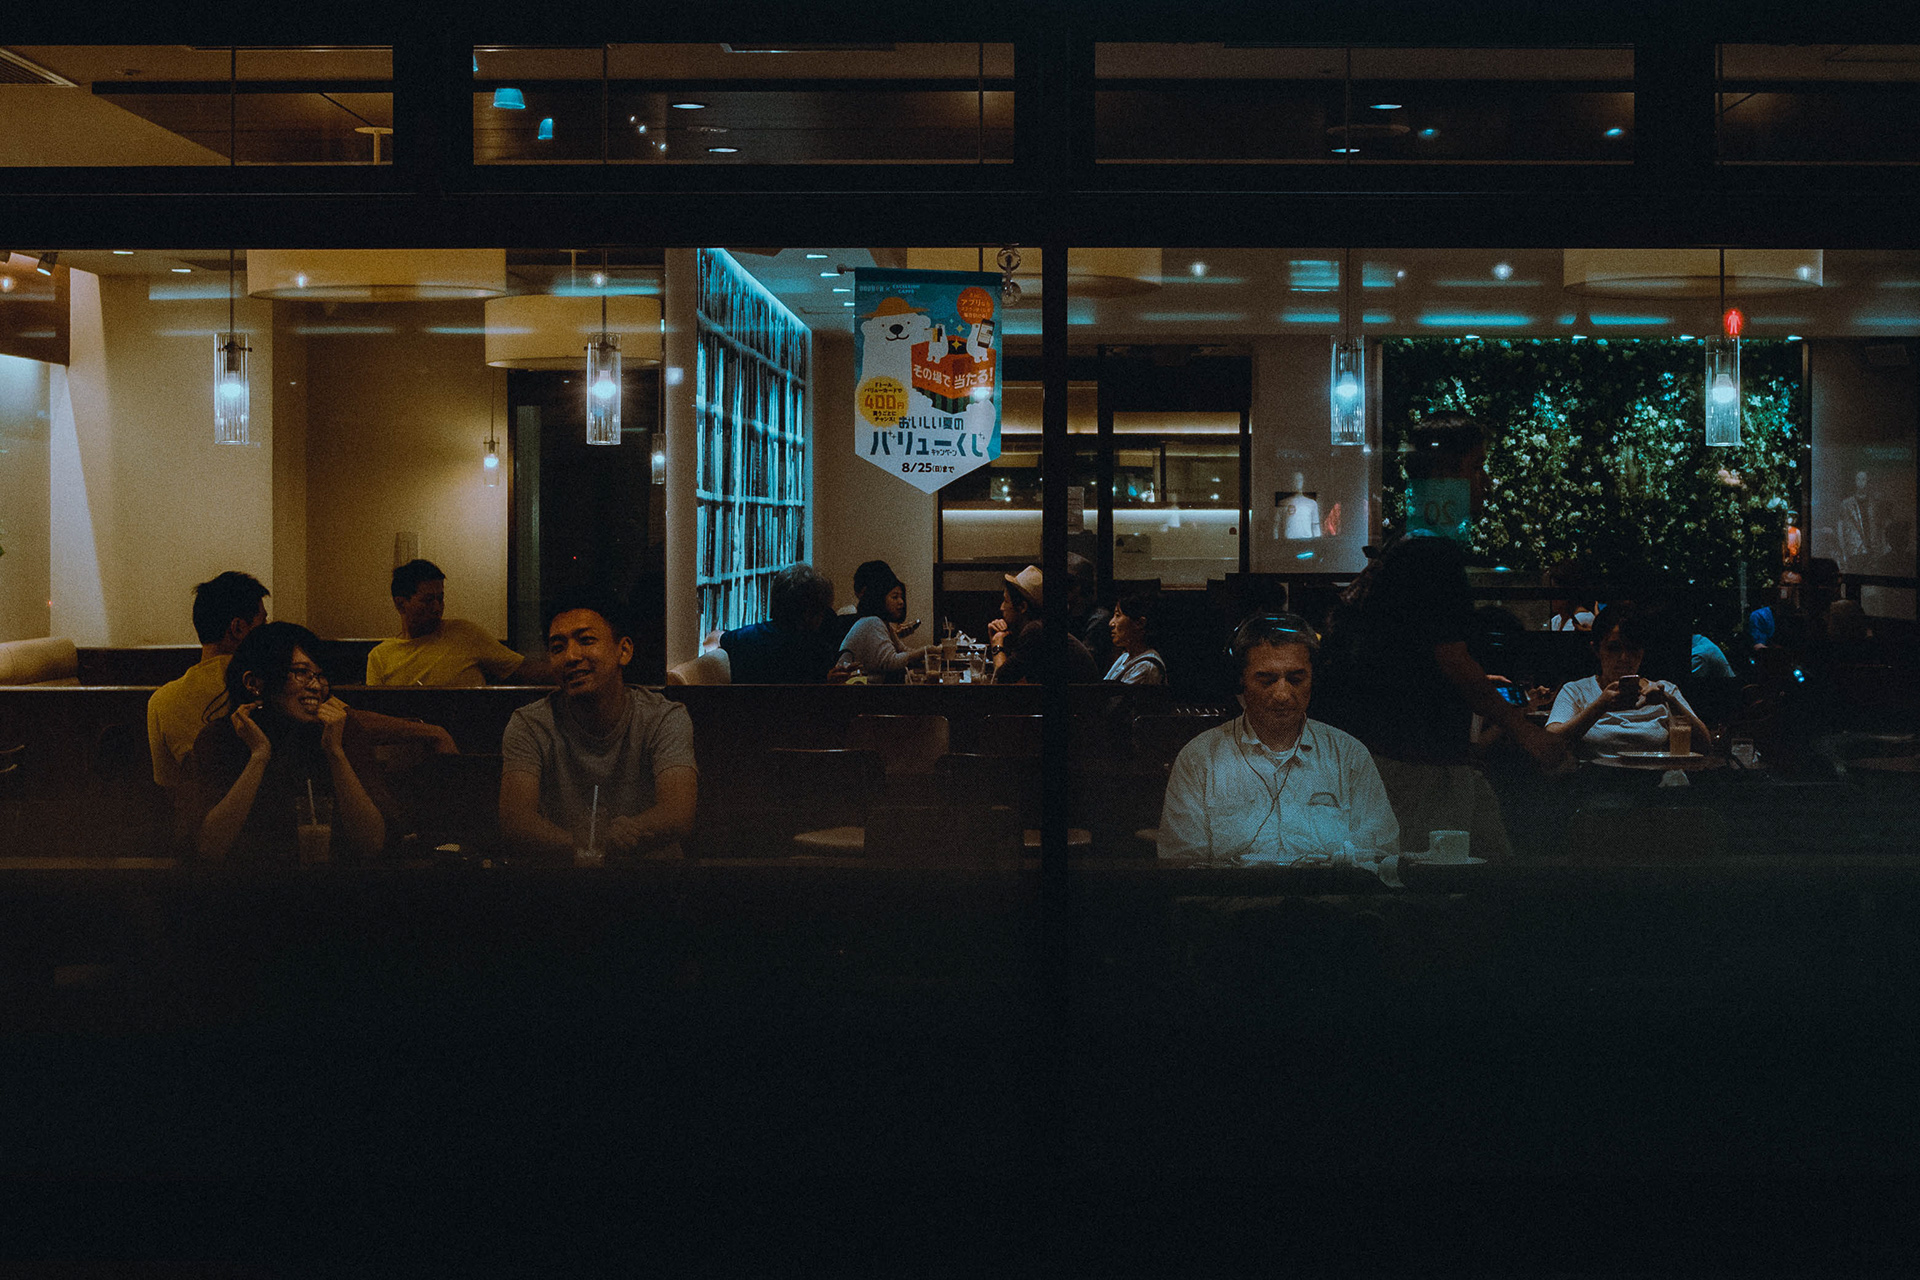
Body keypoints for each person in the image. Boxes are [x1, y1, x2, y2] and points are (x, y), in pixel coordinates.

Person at [1316, 414, 1565, 858]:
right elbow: (1452, 660)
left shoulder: (1406, 544)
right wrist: (1527, 733)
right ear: (1445, 475)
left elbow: (1415, 652)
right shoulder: (1432, 553)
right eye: (1476, 467)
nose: (1485, 483)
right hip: (1418, 761)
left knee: (1488, 868)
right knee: (1439, 879)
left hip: (1411, 755)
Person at [1157, 614, 1397, 865]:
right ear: (1240, 680)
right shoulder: (1200, 758)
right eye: (1267, 680)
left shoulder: (1348, 755)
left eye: (1296, 679)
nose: (1282, 694)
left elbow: (1381, 854)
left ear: (1314, 678)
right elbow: (1182, 865)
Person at [500, 590, 697, 859]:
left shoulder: (663, 717)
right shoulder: (531, 724)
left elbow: (677, 813)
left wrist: (618, 837)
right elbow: (516, 821)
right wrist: (586, 847)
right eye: (558, 647)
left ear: (623, 651)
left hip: (653, 876)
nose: (571, 656)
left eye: (586, 640)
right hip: (566, 877)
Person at [184, 622, 392, 862]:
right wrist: (259, 756)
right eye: (301, 672)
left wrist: (336, 752)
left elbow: (373, 844)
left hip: (335, 880)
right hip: (245, 880)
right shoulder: (221, 738)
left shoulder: (340, 731)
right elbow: (209, 847)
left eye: (320, 675)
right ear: (254, 683)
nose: (316, 686)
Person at [148, 571, 269, 791]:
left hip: (194, 809)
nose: (268, 635)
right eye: (263, 622)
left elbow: (167, 785)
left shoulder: (161, 700)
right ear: (238, 628)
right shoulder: (264, 685)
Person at [1547, 603, 1712, 757]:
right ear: (1596, 650)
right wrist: (1600, 706)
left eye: (1633, 649)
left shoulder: (1664, 690)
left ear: (1642, 652)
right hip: (1597, 776)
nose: (1624, 658)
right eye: (1614, 648)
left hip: (1654, 775)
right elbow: (1550, 742)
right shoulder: (1577, 691)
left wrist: (1669, 701)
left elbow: (1704, 745)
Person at [366, 559, 547, 687]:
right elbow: (375, 714)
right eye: (428, 600)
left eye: (440, 598)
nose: (437, 607)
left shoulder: (464, 633)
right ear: (400, 604)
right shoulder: (380, 656)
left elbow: (522, 669)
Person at [720, 563, 839, 683]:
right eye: (822, 611)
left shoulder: (746, 637)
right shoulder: (817, 651)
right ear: (810, 613)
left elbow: (714, 639)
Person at [988, 566, 1099, 684]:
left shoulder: (1035, 630)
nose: (1001, 607)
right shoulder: (1041, 628)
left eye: (1006, 601)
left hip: (1080, 696)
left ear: (1022, 607)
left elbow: (1002, 679)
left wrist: (996, 644)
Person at [836, 560, 930, 681]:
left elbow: (903, 650)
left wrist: (931, 654)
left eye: (901, 597)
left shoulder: (882, 623)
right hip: (854, 689)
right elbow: (891, 662)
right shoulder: (871, 622)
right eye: (895, 597)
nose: (901, 602)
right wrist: (927, 650)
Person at [1103, 590, 1167, 685]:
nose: (1111, 623)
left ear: (1140, 623)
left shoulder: (1146, 667)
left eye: (1118, 615)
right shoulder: (1125, 656)